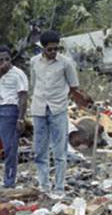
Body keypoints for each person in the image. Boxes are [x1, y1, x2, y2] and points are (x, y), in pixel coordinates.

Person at [30, 31, 86, 198]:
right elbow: (34, 84)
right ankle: (44, 184)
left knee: (59, 150)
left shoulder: (66, 63)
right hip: (39, 109)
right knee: (40, 149)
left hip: (58, 109)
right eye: (50, 49)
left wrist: (70, 100)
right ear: (43, 48)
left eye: (56, 49)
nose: (53, 52)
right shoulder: (34, 62)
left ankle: (59, 187)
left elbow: (74, 86)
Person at [0, 46, 28, 188]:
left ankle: (9, 181)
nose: (4, 62)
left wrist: (21, 118)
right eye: (1, 60)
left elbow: (23, 97)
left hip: (9, 111)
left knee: (10, 148)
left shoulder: (18, 74)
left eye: (7, 59)